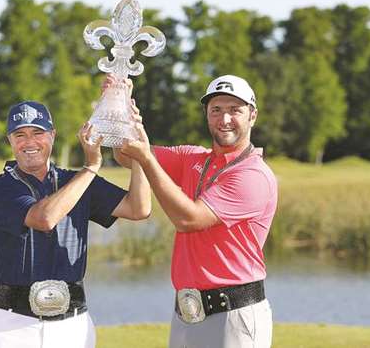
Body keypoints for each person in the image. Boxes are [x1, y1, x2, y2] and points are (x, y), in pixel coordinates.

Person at [111, 74, 278, 348]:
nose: (224, 119)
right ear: (207, 115)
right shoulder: (191, 157)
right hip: (187, 312)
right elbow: (124, 154)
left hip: (234, 314)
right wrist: (119, 102)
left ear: (253, 115)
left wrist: (147, 159)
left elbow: (188, 219)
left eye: (235, 110)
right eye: (216, 110)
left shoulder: (253, 174)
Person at [0, 100, 151, 348]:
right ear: (10, 140)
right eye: (20, 135)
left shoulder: (75, 180)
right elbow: (44, 218)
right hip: (11, 325)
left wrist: (140, 157)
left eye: (38, 133)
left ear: (52, 135)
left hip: (73, 325)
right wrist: (91, 167)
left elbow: (138, 208)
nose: (29, 142)